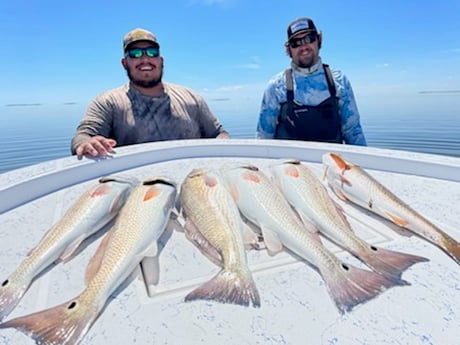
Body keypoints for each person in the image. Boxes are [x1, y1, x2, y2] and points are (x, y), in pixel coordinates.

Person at [71, 28, 229, 158]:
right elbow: (83, 136)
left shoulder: (192, 98)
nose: (145, 59)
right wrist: (87, 144)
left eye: (152, 52)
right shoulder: (107, 102)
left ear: (161, 60)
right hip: (138, 189)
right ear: (124, 63)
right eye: (135, 54)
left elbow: (218, 134)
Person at [256, 17, 367, 145]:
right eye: (296, 43)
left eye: (309, 38)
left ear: (319, 40)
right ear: (288, 49)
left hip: (331, 163)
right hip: (290, 164)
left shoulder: (340, 81)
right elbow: (263, 139)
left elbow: (353, 132)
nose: (303, 46)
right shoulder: (276, 86)